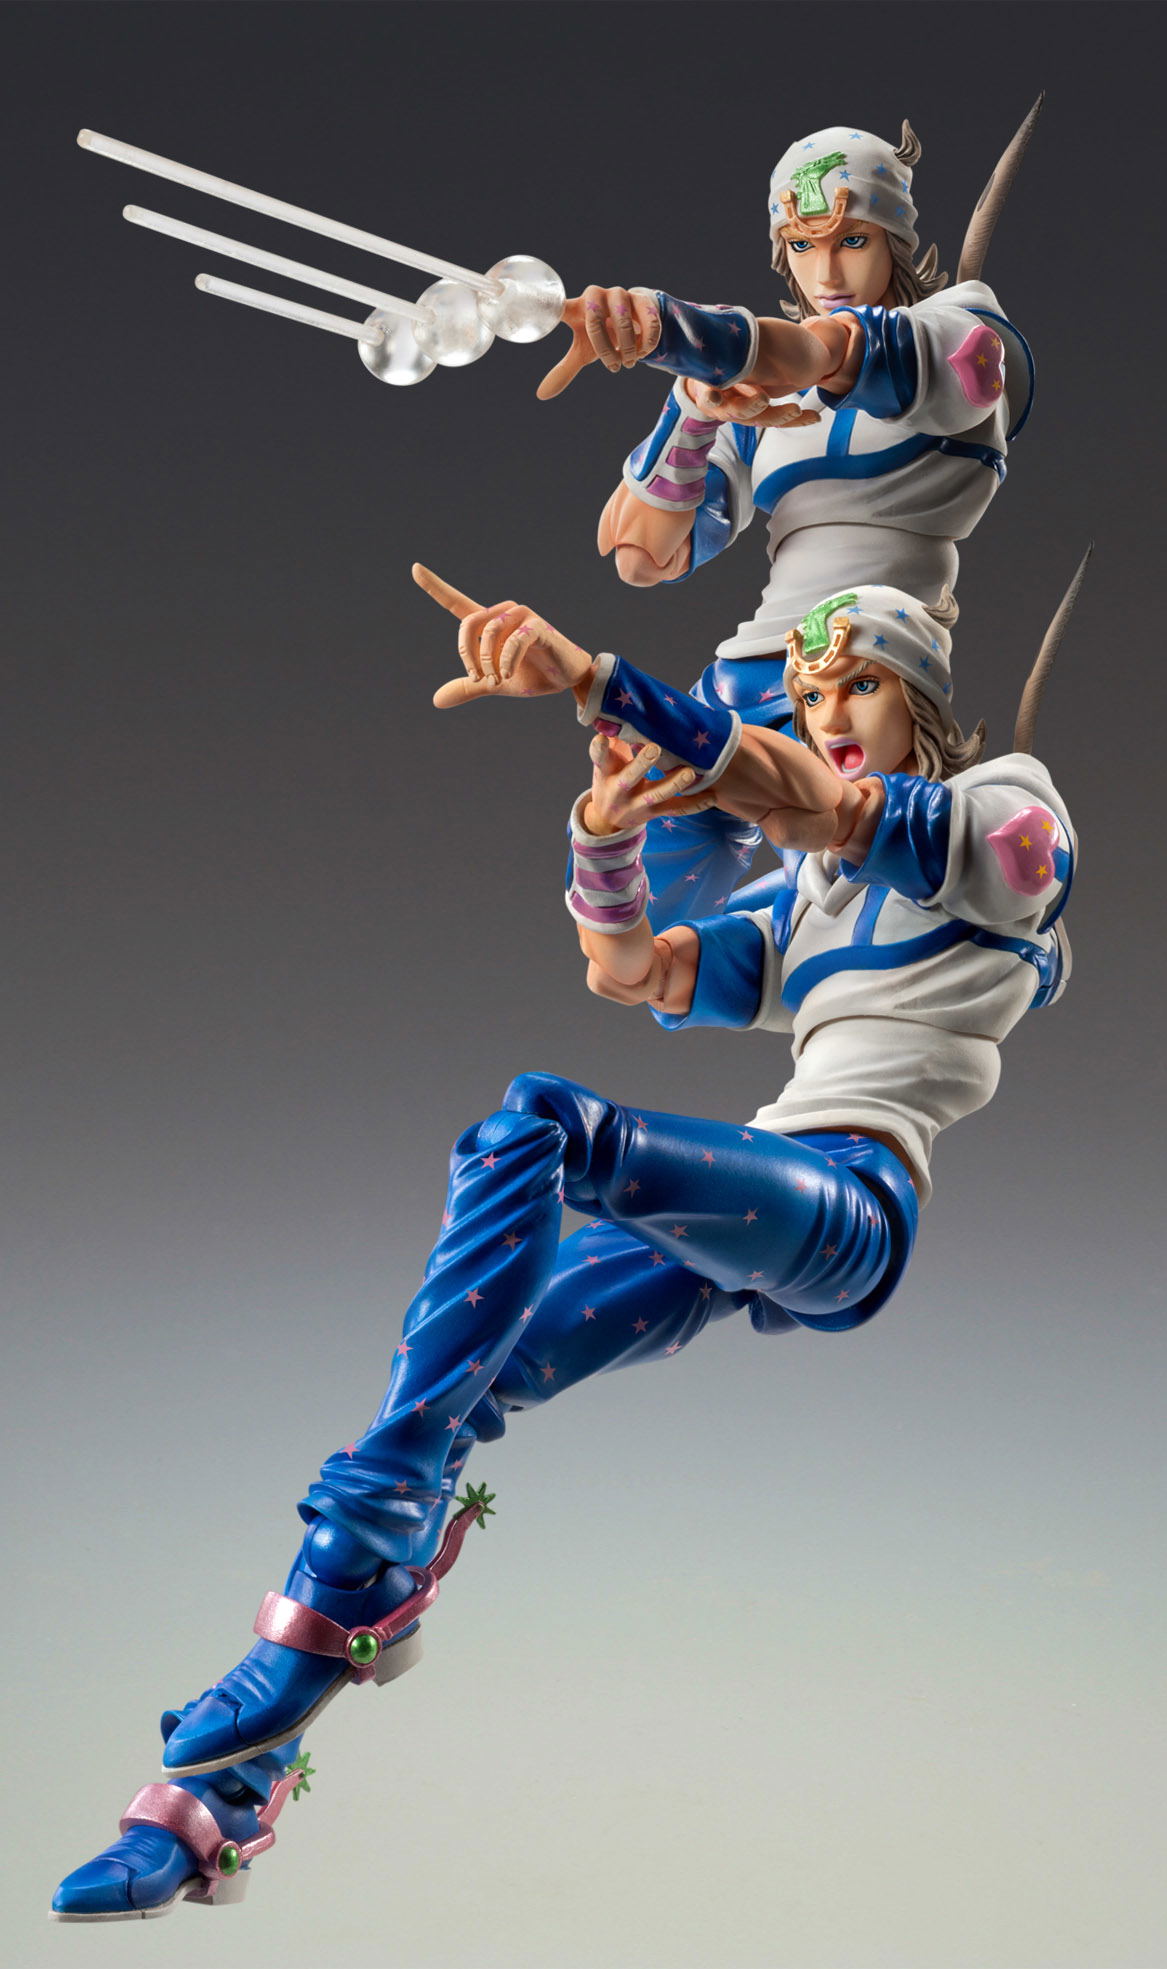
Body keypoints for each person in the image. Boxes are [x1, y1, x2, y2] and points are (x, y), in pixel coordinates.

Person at [52, 572, 1075, 1920]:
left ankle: (370, 1535)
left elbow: (810, 802)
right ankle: (215, 1797)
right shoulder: (814, 900)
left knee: (541, 1123)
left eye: (860, 685)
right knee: (460, 1389)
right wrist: (601, 827)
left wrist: (598, 681)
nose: (829, 713)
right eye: (811, 691)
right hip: (754, 1202)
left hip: (847, 1208)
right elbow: (635, 969)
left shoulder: (1008, 819)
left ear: (922, 698)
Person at [537, 114, 1038, 922]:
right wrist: (692, 406)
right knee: (639, 924)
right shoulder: (753, 388)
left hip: (859, 686)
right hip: (736, 682)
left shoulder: (963, 338)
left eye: (852, 241)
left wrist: (677, 331)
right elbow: (641, 555)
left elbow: (823, 349)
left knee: (865, 914)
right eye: (801, 246)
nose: (826, 271)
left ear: (896, 242)